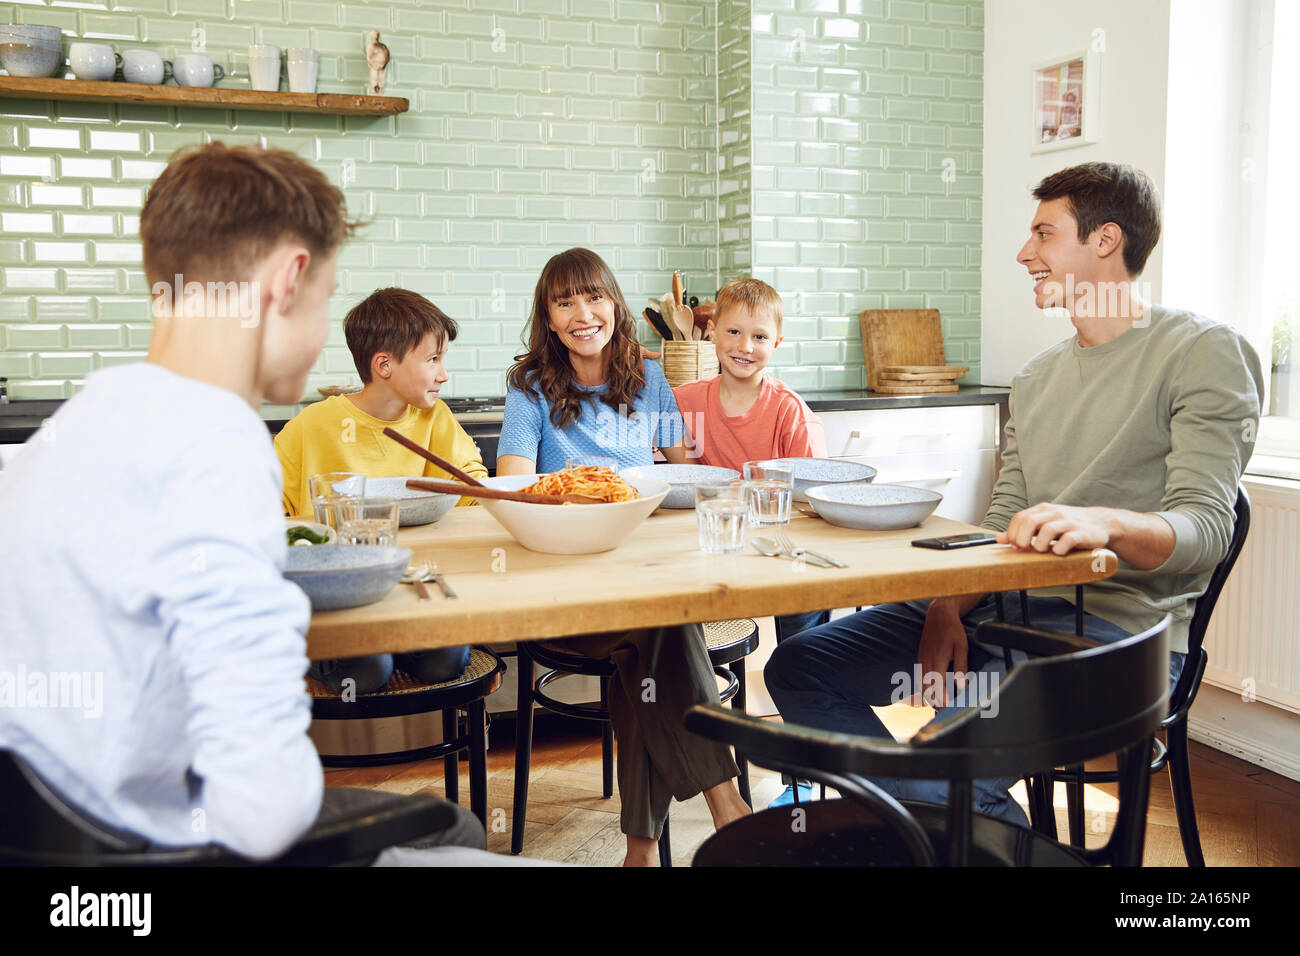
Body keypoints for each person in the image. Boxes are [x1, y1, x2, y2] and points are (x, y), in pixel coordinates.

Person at [0, 142, 493, 864]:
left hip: (65, 843)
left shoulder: (80, 423)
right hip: (158, 850)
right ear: (286, 281)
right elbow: (263, 812)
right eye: (326, 299)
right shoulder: (215, 444)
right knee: (454, 829)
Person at [765, 161, 1264, 825]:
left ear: (1105, 240)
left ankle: (953, 814)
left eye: (1044, 234)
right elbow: (1002, 520)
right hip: (1003, 610)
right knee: (803, 666)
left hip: (1114, 638)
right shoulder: (1035, 379)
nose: (1024, 253)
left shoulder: (1202, 352)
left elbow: (1205, 532)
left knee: (941, 736)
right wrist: (947, 605)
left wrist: (1106, 524)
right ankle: (969, 820)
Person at [497, 247, 752, 865]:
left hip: (639, 576)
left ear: (614, 304)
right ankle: (728, 804)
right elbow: (513, 486)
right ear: (549, 319)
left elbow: (687, 474)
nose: (582, 314)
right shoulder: (529, 386)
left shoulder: (650, 377)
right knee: (662, 627)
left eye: (593, 297)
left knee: (647, 657)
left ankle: (640, 853)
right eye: (564, 303)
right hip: (566, 591)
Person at [672, 277, 831, 804]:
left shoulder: (788, 410)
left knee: (802, 645)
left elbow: (811, 495)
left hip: (779, 551)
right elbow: (666, 475)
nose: (745, 346)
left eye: (759, 337)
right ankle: (695, 762)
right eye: (734, 332)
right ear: (711, 333)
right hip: (708, 552)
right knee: (671, 635)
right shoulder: (684, 400)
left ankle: (805, 776)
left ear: (777, 344)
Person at [276, 287, 480, 693]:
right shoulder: (310, 426)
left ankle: (395, 644)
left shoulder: (433, 417)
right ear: (384, 365)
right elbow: (266, 511)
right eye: (433, 359)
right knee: (366, 671)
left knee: (448, 660)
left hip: (413, 587)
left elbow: (471, 487)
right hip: (341, 598)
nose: (444, 374)